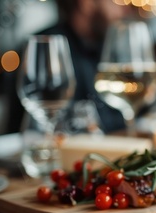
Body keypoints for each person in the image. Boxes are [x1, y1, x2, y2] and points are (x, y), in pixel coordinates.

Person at [8, 0, 133, 134]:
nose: (124, 10)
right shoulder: (45, 47)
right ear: (87, 3)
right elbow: (38, 127)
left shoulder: (109, 47)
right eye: (116, 2)